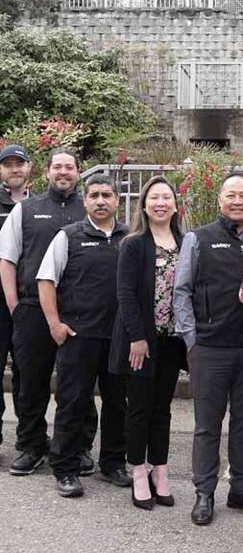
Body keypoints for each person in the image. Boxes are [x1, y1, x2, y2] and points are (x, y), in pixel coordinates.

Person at [173, 172, 243, 525]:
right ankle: (204, 492)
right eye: (231, 194)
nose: (237, 201)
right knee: (207, 426)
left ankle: (241, 489)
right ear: (220, 200)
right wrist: (192, 340)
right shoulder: (198, 238)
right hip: (209, 348)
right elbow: (181, 291)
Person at [0, 149, 94, 477]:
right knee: (31, 382)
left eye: (69, 167)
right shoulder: (26, 210)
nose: (63, 172)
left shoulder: (90, 207)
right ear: (47, 171)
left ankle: (77, 447)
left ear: (78, 172)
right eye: (58, 167)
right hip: (31, 310)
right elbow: (7, 258)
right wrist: (14, 305)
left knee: (79, 385)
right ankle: (31, 445)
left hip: (79, 312)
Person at [37, 174, 130, 497]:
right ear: (85, 201)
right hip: (79, 336)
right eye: (94, 195)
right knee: (72, 403)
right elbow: (46, 280)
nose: (100, 201)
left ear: (117, 200)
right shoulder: (68, 236)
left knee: (118, 405)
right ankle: (65, 469)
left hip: (119, 338)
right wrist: (55, 324)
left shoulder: (130, 237)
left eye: (107, 195)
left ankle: (113, 463)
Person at [109, 176, 187, 510]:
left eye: (166, 197)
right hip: (141, 341)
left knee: (162, 409)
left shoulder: (186, 242)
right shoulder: (133, 243)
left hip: (172, 340)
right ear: (143, 205)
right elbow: (125, 294)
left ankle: (160, 470)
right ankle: (138, 471)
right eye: (154, 197)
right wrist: (138, 337)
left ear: (175, 205)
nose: (160, 203)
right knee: (139, 408)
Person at [0, 145, 32, 451]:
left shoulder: (39, 206)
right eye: (8, 164)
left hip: (29, 303)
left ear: (29, 167)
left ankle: (28, 440)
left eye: (19, 163)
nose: (14, 169)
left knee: (28, 374)